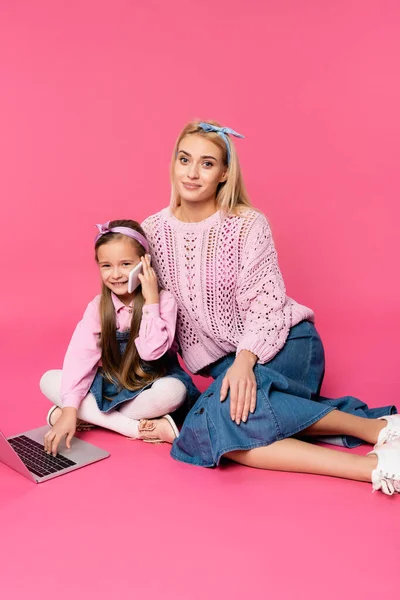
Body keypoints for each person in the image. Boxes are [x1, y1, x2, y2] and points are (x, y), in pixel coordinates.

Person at [141, 120, 400, 495]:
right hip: (225, 367)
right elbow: (139, 310)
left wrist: (246, 361)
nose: (193, 172)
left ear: (224, 173)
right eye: (185, 159)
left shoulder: (247, 224)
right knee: (228, 423)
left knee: (212, 423)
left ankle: (374, 464)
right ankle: (382, 431)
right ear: (173, 163)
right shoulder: (152, 232)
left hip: (285, 345)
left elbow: (268, 306)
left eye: (207, 163)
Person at [40, 219, 199, 456]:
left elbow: (150, 352)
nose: (115, 275)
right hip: (115, 383)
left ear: (143, 263)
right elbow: (80, 357)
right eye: (106, 266)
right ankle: (133, 428)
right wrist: (71, 408)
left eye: (125, 264)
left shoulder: (163, 301)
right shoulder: (98, 307)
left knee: (174, 392)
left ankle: (90, 416)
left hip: (152, 382)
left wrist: (151, 302)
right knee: (49, 379)